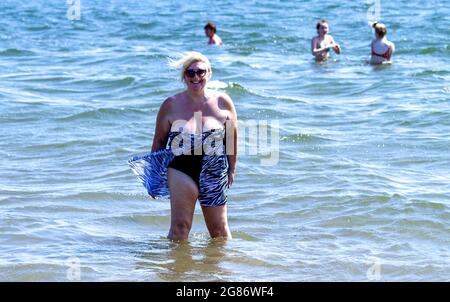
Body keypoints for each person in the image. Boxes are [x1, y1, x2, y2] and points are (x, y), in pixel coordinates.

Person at [129, 52, 237, 241]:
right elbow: (159, 142)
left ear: (209, 73)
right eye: (190, 73)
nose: (196, 77)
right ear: (184, 76)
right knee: (180, 229)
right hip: (181, 169)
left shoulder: (223, 102)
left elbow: (232, 137)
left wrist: (232, 169)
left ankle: (220, 270)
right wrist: (153, 179)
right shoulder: (171, 104)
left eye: (201, 72)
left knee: (219, 232)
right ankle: (176, 269)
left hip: (214, 170)